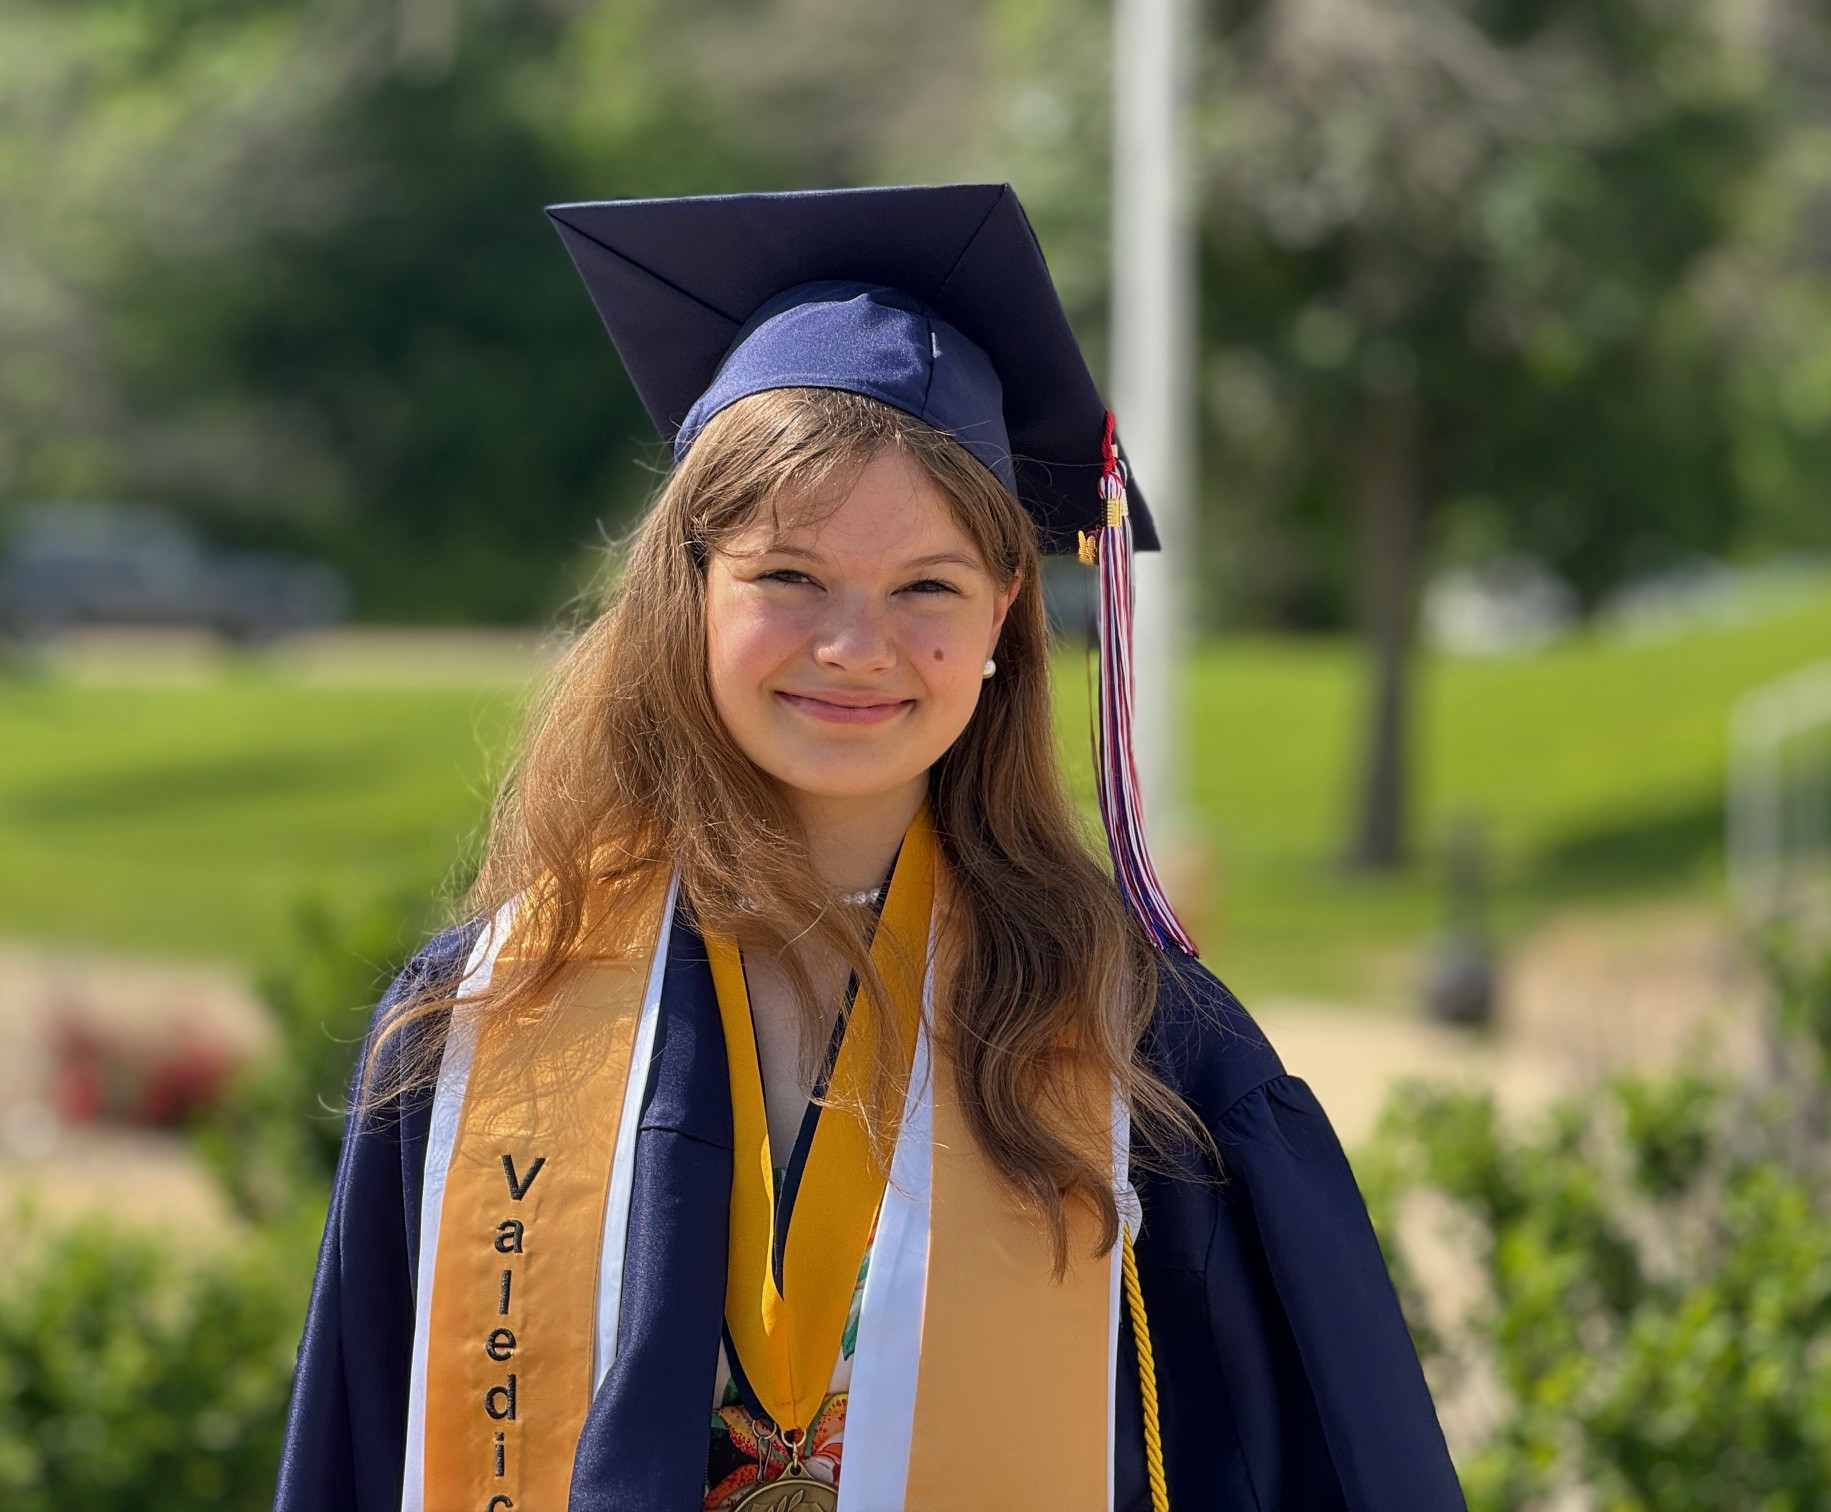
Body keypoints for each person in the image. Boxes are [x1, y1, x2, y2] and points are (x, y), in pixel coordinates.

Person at [273, 184, 1466, 1512]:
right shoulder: (491, 1025)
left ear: (1010, 610)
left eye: (927, 588)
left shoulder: (1147, 1053)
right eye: (789, 577)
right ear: (691, 583)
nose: (855, 647)